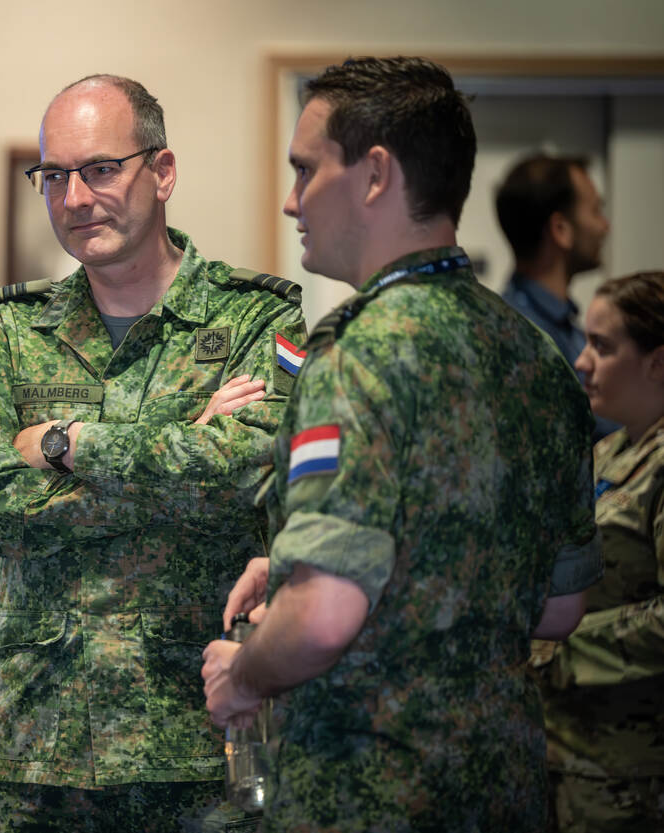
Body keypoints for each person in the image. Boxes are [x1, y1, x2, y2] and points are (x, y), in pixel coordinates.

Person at [201, 56, 602, 832]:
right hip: (504, 788)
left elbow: (323, 616)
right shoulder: (537, 355)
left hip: (365, 791)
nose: (291, 200)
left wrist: (244, 674)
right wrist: (295, 567)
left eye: (306, 169)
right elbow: (559, 605)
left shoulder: (356, 355)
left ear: (376, 174)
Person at [0, 74, 307, 832]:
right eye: (54, 176)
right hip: (35, 751)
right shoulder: (11, 331)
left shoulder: (255, 318)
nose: (74, 198)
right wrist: (183, 447)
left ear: (161, 172)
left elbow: (244, 470)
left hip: (202, 742)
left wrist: (63, 444)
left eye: (101, 169)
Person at [534, 270, 664, 832]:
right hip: (567, 759)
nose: (581, 362)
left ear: (657, 362)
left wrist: (560, 650)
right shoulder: (609, 451)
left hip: (631, 778)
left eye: (602, 347)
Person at [496, 153, 617, 437]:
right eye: (595, 211)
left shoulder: (561, 327)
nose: (605, 226)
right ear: (560, 229)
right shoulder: (522, 335)